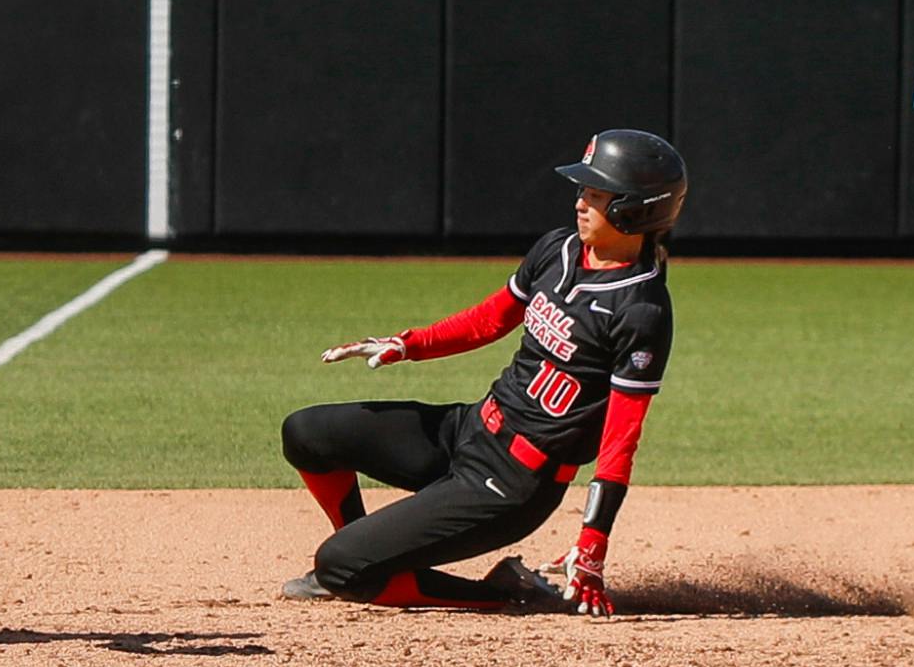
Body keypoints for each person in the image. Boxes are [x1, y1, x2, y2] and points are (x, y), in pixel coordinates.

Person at [278, 130, 687, 616]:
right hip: (470, 429)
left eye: (597, 195)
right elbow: (491, 319)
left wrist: (593, 540)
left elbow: (622, 437)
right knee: (305, 432)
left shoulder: (641, 309)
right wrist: (408, 344)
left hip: (513, 486)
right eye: (583, 190)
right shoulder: (557, 250)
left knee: (339, 567)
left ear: (635, 210)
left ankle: (510, 592)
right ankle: (369, 560)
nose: (580, 201)